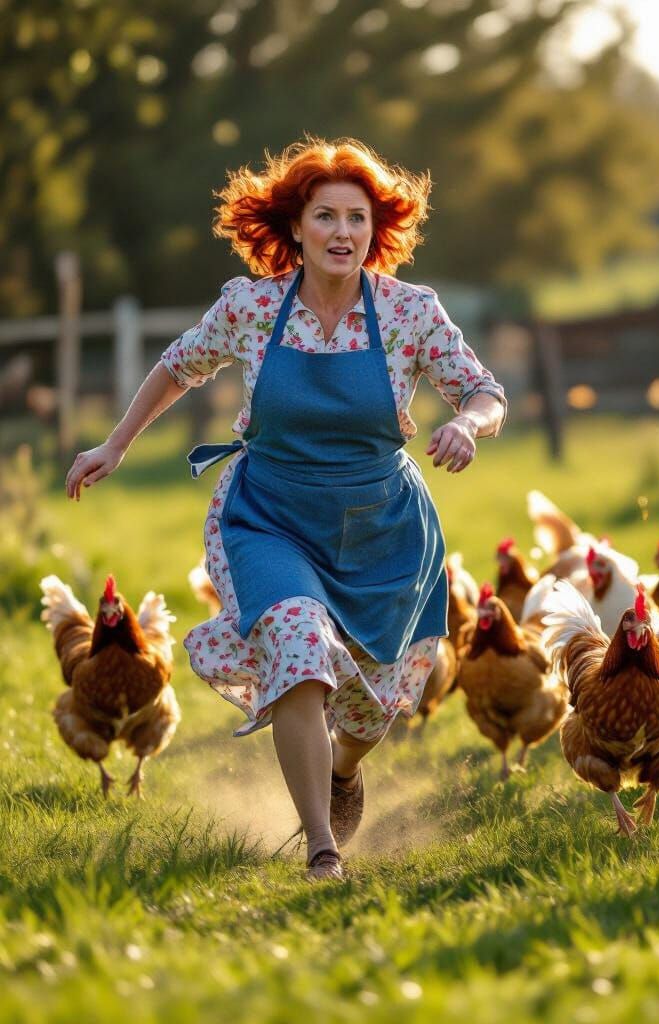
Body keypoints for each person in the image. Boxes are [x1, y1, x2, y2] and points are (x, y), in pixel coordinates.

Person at [65, 138, 507, 881]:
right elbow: (179, 365)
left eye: (357, 218)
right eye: (325, 215)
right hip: (268, 515)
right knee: (297, 648)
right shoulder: (251, 305)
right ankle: (321, 849)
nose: (342, 232)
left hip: (384, 531)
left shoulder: (409, 312)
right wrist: (115, 444)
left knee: (372, 710)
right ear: (296, 227)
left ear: (376, 229)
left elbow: (485, 391)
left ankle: (342, 770)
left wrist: (468, 423)